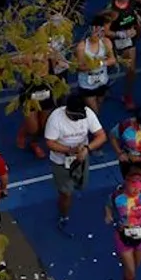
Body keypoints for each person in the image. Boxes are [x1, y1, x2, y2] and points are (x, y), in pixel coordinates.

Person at [44, 91, 106, 235]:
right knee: (66, 193)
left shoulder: (88, 113)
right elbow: (50, 142)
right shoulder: (55, 118)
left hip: (81, 157)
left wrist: (87, 148)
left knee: (81, 185)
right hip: (61, 160)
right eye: (75, 117)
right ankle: (64, 214)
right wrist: (70, 150)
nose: (78, 120)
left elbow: (101, 136)